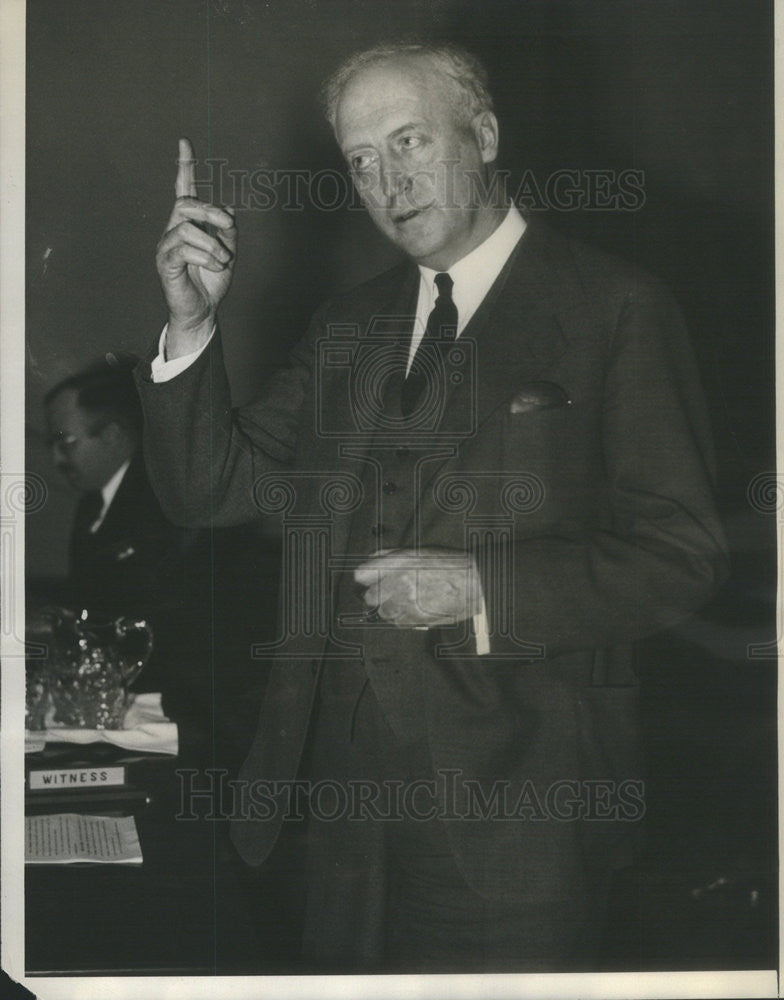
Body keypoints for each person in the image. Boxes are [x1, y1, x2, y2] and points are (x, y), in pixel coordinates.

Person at [135, 42, 729, 971]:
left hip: (517, 819)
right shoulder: (348, 325)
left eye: (408, 141)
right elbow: (210, 489)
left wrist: (482, 591)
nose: (386, 179)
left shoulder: (616, 307)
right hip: (337, 812)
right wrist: (192, 322)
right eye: (361, 161)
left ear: (483, 135)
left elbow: (683, 554)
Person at [42, 358, 212, 714]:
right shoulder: (95, 502)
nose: (56, 458)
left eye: (67, 442)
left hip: (169, 703)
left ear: (113, 435)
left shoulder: (165, 505)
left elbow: (165, 622)